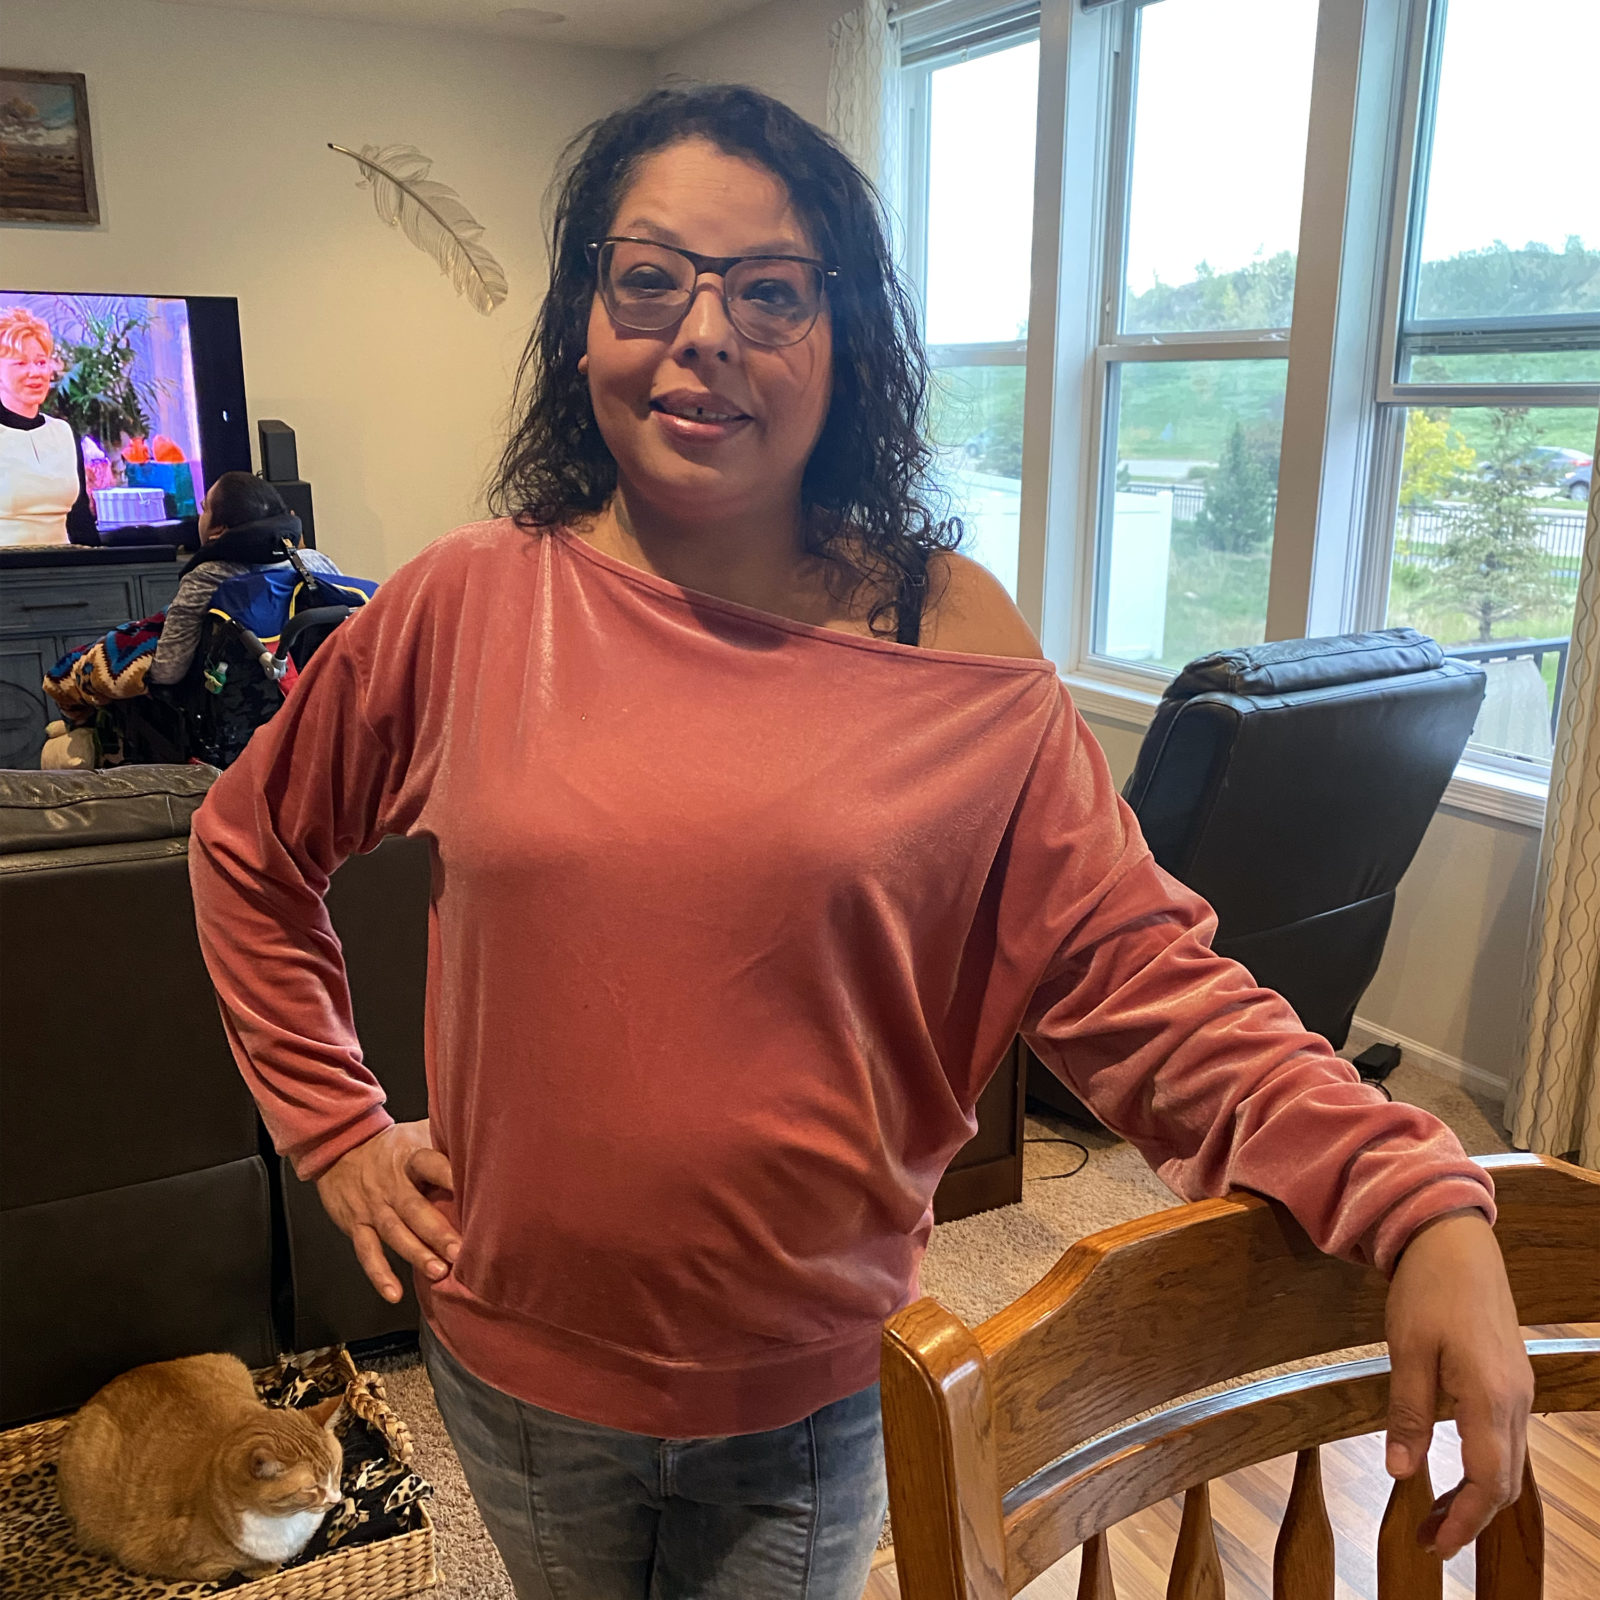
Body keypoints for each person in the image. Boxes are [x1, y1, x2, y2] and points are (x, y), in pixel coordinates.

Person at [187, 86, 1533, 1600]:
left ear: (847, 343)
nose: (703, 334)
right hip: (516, 1374)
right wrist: (339, 1128)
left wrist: (1411, 1195)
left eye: (769, 291)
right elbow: (248, 848)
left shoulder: (947, 640)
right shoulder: (469, 603)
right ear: (587, 324)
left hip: (806, 1401)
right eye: (651, 279)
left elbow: (1144, 980)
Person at [148, 472, 343, 687]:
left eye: (205, 508)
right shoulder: (317, 563)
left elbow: (167, 672)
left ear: (218, 531)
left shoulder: (206, 578)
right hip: (326, 699)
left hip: (247, 713)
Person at [0, 306, 93, 547]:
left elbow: (80, 519)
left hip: (64, 569)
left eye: (41, 362)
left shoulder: (63, 432)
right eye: (20, 363)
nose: (35, 373)